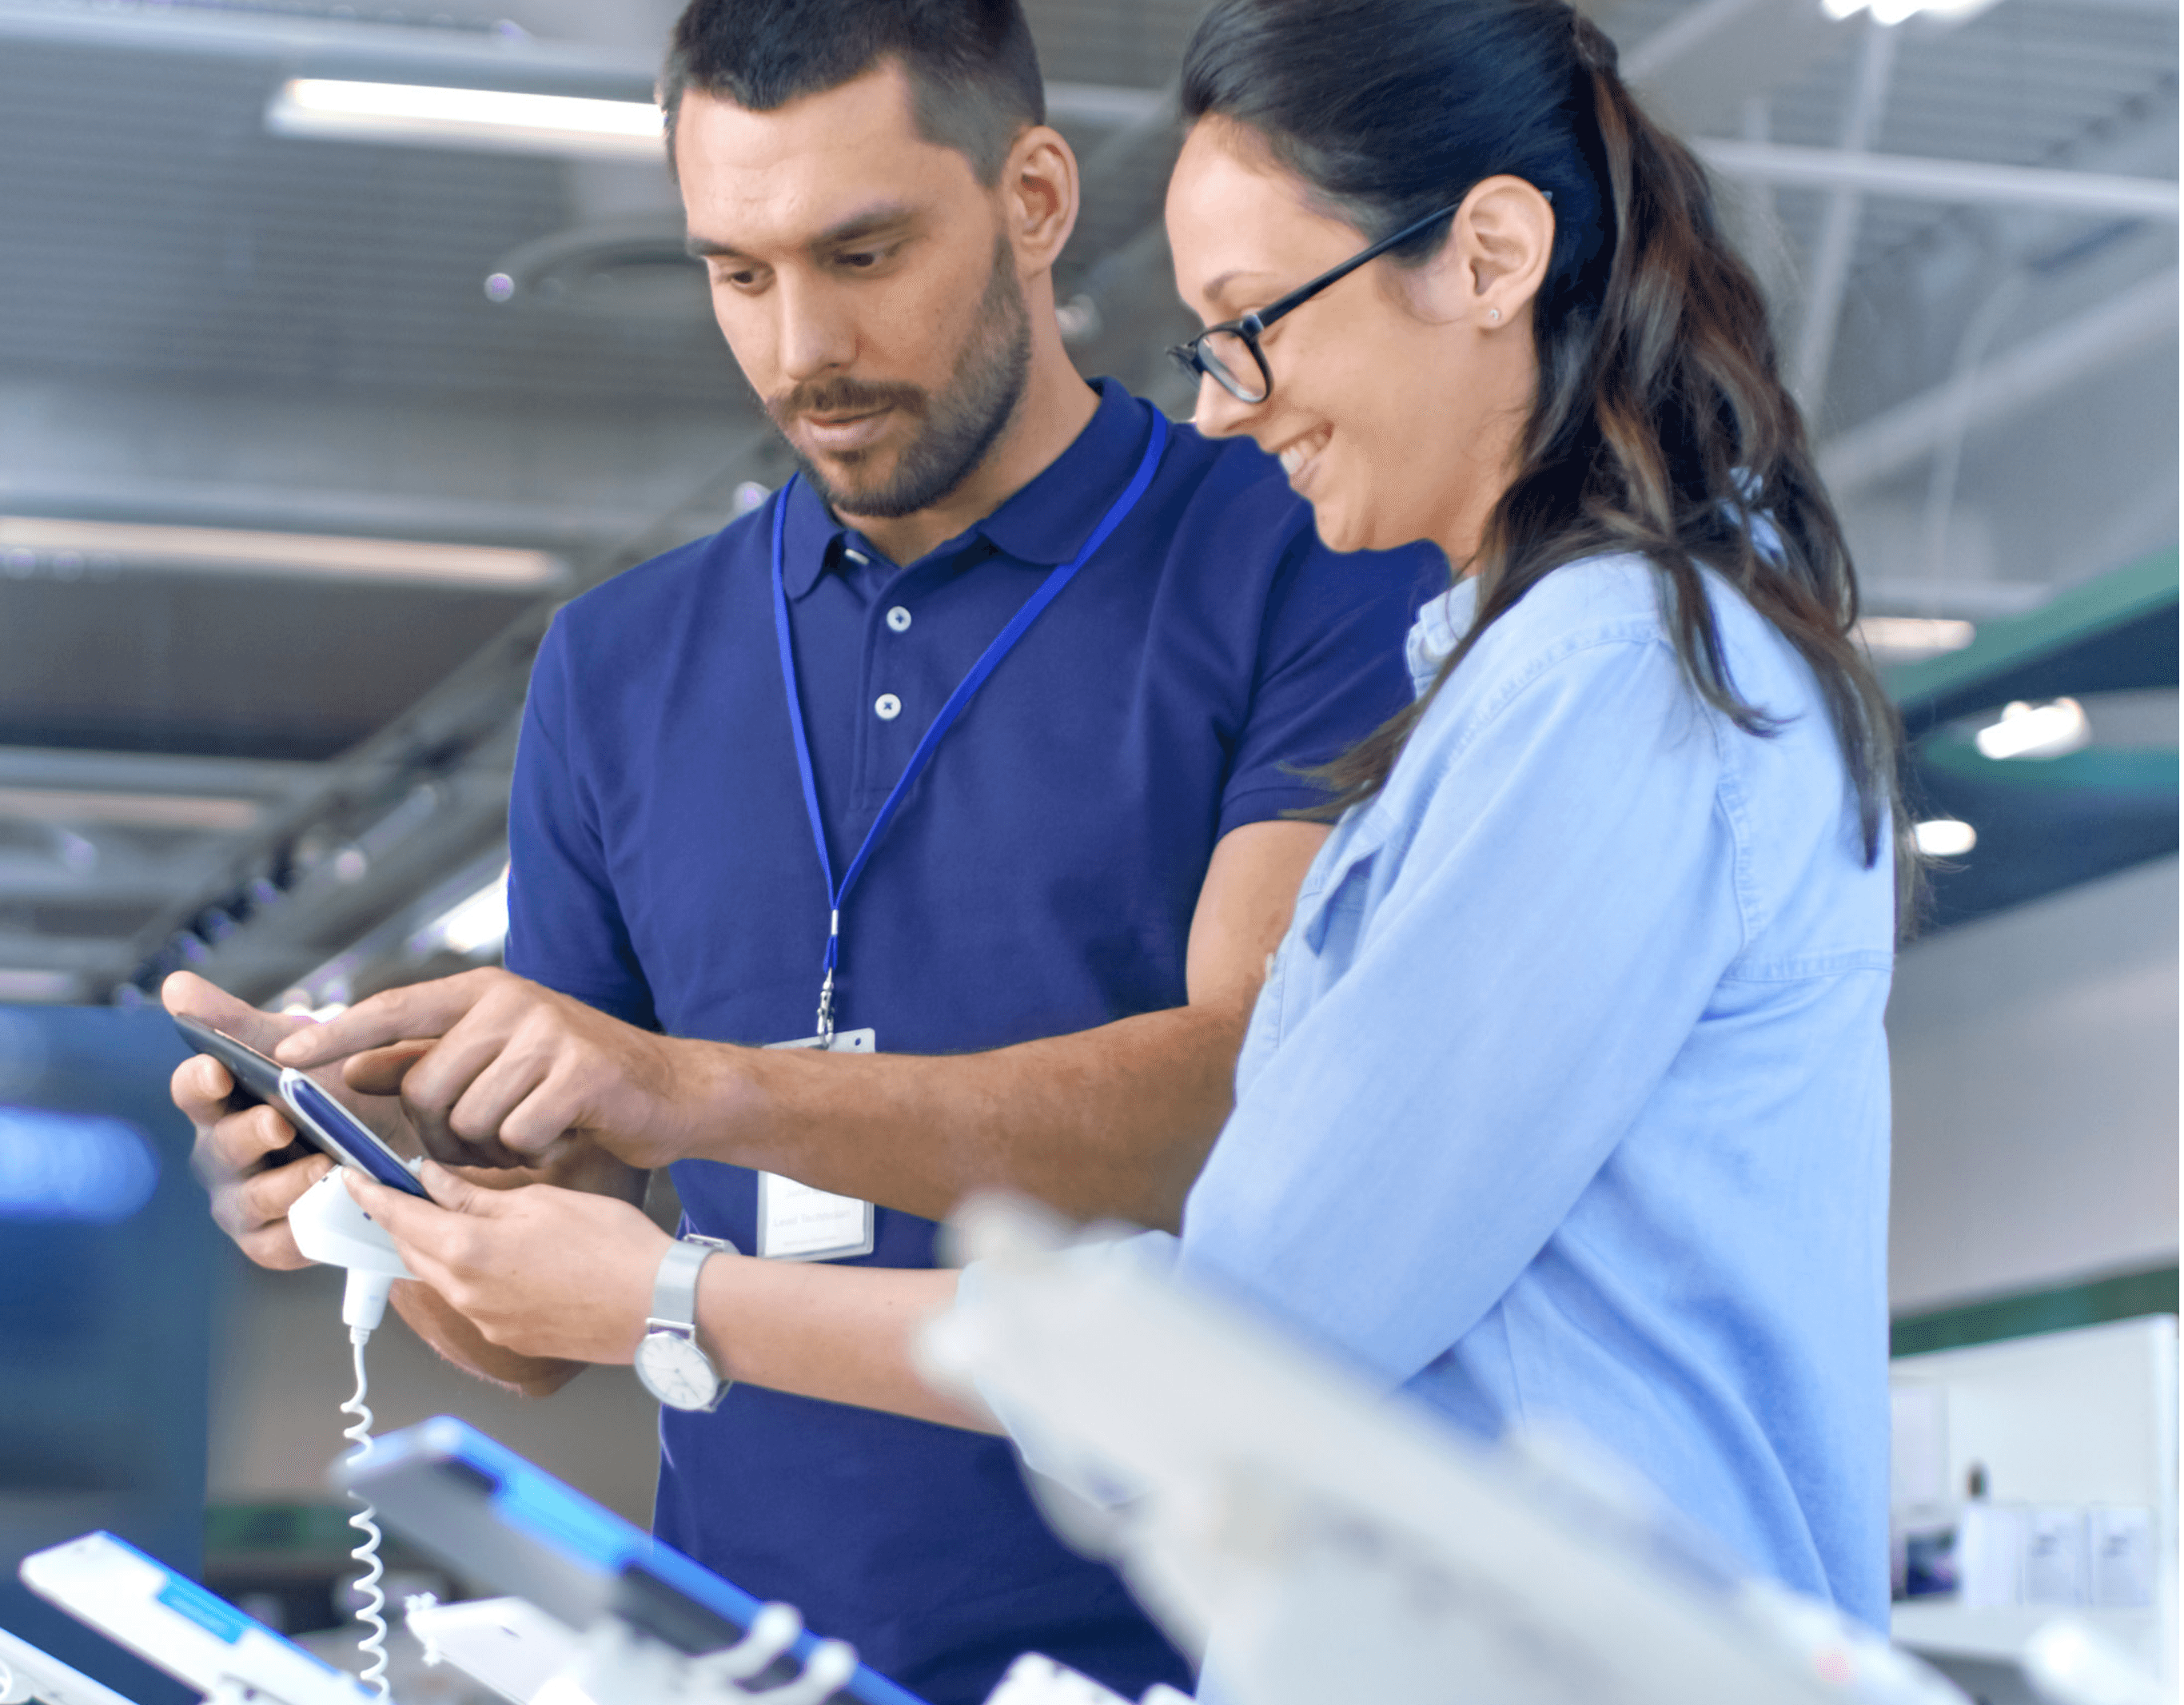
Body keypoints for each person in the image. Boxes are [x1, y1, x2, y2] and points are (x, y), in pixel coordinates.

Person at [298, 0, 1911, 1635]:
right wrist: (403, 1188)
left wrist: (679, 1284)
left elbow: (1249, 1330)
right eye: (737, 271)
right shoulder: (1508, 684)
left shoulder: (1601, 685)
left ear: (1490, 258)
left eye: (1252, 321)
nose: (1225, 403)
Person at [167, 2, 1441, 1699]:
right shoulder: (619, 666)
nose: (801, 348)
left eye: (863, 251)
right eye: (738, 272)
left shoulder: (1306, 547)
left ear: (1039, 197)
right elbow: (556, 1313)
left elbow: (1244, 1106)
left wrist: (698, 1088)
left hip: (1196, 1656)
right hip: (745, 1655)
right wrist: (378, 1209)